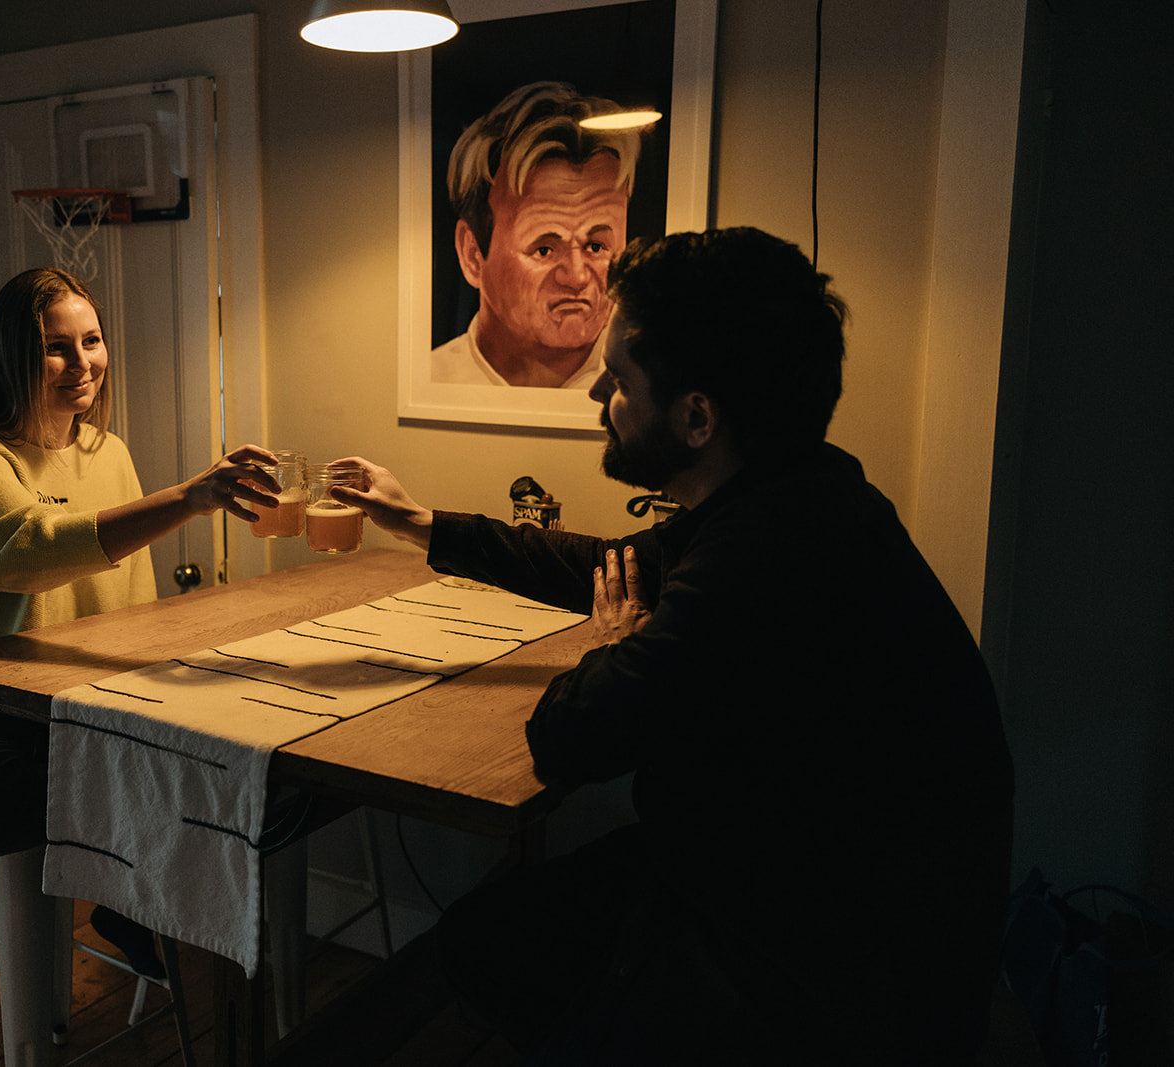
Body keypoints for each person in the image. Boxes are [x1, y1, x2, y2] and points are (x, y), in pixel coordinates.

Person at [337, 228, 1014, 1063]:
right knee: (494, 933)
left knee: (494, 945)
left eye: (618, 379)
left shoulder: (765, 554)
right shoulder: (799, 492)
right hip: (794, 876)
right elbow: (608, 564)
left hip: (826, 958)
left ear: (696, 416)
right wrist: (423, 524)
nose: (598, 396)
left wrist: (613, 643)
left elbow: (569, 732)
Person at [0, 267, 280, 979]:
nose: (83, 364)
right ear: (13, 355)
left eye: (92, 341)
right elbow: (30, 551)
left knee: (220, 768)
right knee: (12, 795)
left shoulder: (109, 453)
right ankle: (114, 926)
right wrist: (191, 497)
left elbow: (130, 604)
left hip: (77, 706)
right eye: (56, 347)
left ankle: (156, 921)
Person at [432, 81, 640, 390]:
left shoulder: (648, 390)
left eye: (596, 246)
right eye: (544, 249)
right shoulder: (433, 379)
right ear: (472, 255)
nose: (577, 277)